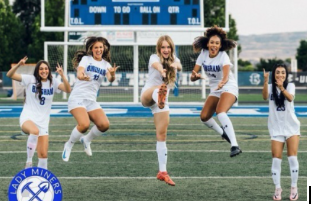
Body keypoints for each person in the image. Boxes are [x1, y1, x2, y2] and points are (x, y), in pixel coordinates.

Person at [6, 56, 71, 169]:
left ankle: (41, 181)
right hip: (28, 117)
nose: (44, 71)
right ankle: (29, 162)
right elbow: (10, 75)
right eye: (41, 69)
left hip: (43, 122)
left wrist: (62, 75)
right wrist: (19, 65)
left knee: (43, 155)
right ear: (37, 71)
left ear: (49, 70)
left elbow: (68, 90)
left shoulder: (53, 82)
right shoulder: (30, 79)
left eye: (46, 69)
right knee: (34, 131)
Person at [62, 36, 119, 162]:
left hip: (91, 100)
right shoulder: (86, 59)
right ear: (91, 49)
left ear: (103, 48)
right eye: (96, 47)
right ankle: (69, 144)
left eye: (100, 47)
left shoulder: (106, 64)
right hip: (77, 97)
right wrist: (81, 76)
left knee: (104, 125)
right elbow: (80, 71)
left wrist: (113, 74)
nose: (99, 49)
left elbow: (110, 79)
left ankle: (86, 139)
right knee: (84, 124)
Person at [190, 25, 242, 157]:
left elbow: (225, 77)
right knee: (204, 117)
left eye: (217, 43)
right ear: (207, 44)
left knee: (221, 112)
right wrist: (194, 76)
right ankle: (223, 133)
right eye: (212, 42)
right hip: (215, 88)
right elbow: (193, 76)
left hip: (228, 86)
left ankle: (234, 145)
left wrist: (222, 83)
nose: (214, 45)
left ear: (220, 45)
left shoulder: (223, 56)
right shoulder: (203, 54)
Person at [140, 35, 182, 186]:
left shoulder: (175, 59)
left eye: (168, 47)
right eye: (163, 47)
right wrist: (162, 71)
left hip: (161, 104)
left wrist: (175, 66)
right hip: (148, 95)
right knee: (159, 88)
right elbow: (156, 65)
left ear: (171, 48)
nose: (165, 50)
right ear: (159, 49)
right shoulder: (154, 58)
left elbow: (179, 65)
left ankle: (162, 172)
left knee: (162, 134)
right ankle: (160, 95)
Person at [263, 64, 300, 201]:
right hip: (276, 128)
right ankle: (278, 188)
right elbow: (264, 96)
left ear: (286, 74)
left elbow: (290, 98)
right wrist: (266, 81)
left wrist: (281, 87)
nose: (280, 75)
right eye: (277, 72)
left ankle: (294, 187)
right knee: (276, 160)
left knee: (292, 158)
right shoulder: (271, 87)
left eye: (283, 72)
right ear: (274, 74)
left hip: (291, 127)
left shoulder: (290, 86)